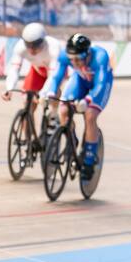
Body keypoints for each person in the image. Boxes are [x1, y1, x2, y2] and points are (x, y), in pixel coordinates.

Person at [42, 34, 113, 181]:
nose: (74, 63)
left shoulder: (100, 57)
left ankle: (89, 159)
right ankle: (72, 139)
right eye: (71, 59)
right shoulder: (65, 56)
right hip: (80, 81)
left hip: (99, 86)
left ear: (87, 54)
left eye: (78, 59)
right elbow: (56, 77)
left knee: (90, 115)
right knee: (64, 110)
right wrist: (50, 92)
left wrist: (87, 100)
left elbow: (100, 84)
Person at [2, 23, 62, 127]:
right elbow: (14, 69)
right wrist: (9, 88)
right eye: (28, 45)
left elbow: (53, 77)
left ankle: (53, 114)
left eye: (35, 45)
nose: (31, 49)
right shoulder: (20, 46)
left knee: (53, 93)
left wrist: (43, 93)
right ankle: (31, 141)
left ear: (43, 41)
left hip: (53, 72)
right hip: (37, 71)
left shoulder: (54, 46)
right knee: (28, 105)